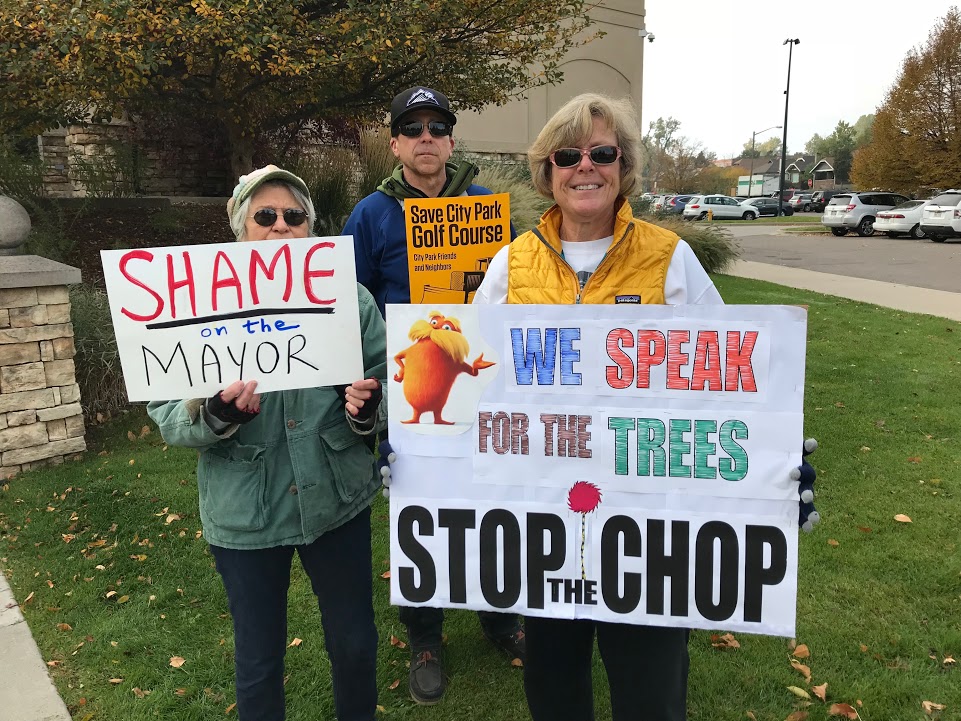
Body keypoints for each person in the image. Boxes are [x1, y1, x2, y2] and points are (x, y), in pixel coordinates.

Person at [472, 93, 818, 721]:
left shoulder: (668, 258)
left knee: (651, 697)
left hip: (650, 526)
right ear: (547, 171)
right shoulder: (509, 265)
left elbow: (738, 377)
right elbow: (475, 387)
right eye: (568, 154)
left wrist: (774, 460)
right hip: (545, 522)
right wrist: (424, 449)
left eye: (602, 153)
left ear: (624, 167)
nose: (586, 166)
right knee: (553, 692)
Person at [147, 165, 387, 721]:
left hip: (337, 499)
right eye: (266, 216)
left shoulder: (350, 301)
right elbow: (166, 413)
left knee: (354, 643)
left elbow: (394, 387)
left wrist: (369, 411)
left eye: (294, 216)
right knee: (258, 660)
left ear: (310, 227)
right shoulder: (198, 302)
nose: (281, 226)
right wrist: (212, 413)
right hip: (245, 513)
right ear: (240, 227)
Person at [342, 86, 524, 705]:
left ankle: (500, 616)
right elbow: (351, 305)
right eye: (412, 128)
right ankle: (425, 635)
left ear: (450, 140)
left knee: (492, 501)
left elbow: (511, 296)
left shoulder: (482, 208)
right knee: (421, 512)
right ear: (395, 143)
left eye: (437, 127)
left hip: (476, 382)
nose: (426, 137)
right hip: (409, 391)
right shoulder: (370, 215)